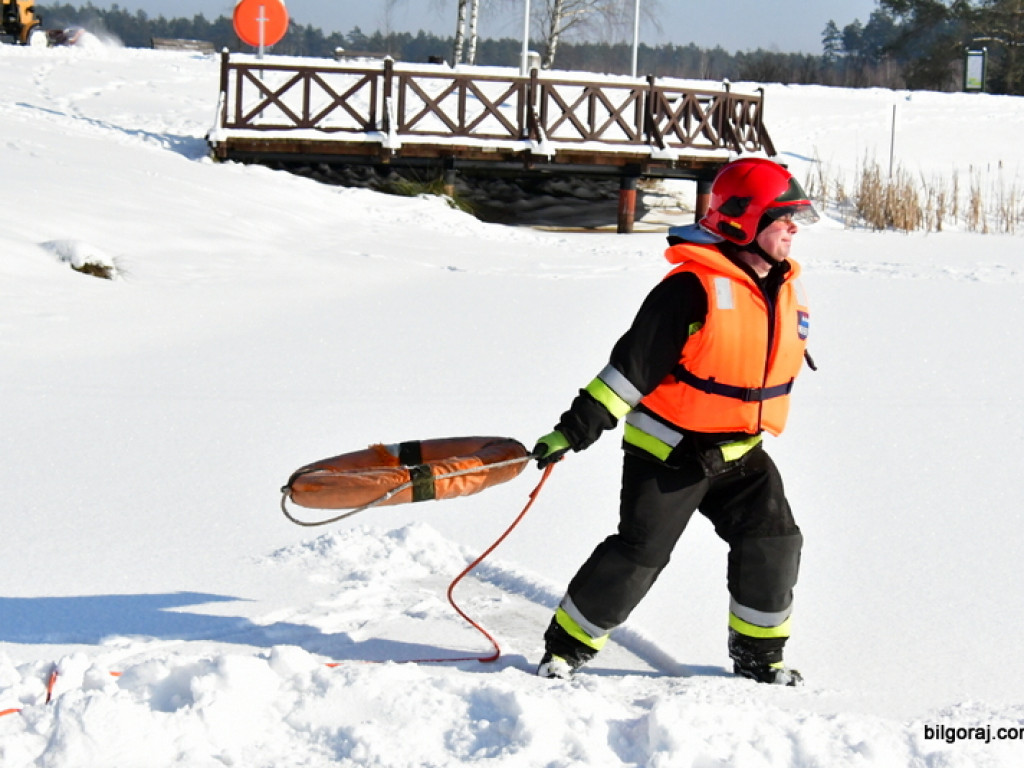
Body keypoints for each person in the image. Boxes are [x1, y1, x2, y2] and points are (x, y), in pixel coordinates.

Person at [532, 157, 818, 685]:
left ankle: (759, 659)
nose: (793, 229)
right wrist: (573, 430)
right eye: (783, 219)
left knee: (774, 541)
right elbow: (628, 373)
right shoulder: (690, 289)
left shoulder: (778, 286)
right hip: (670, 453)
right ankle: (566, 649)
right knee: (641, 553)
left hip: (738, 452)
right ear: (743, 222)